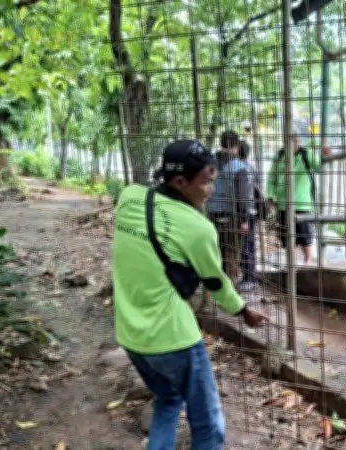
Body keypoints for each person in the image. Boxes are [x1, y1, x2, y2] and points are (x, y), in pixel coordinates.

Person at [112, 139, 268, 449]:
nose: (211, 190)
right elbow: (215, 281)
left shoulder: (129, 197)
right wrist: (244, 311)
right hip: (173, 339)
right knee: (207, 423)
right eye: (206, 182)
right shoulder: (197, 227)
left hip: (130, 335)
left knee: (168, 402)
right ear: (180, 182)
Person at [266, 122, 332, 264]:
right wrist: (271, 197)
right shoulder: (279, 157)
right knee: (286, 235)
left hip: (302, 203)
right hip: (283, 203)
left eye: (295, 139)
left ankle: (308, 260)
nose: (293, 142)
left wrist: (325, 157)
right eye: (289, 139)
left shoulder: (305, 154)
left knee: (305, 236)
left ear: (298, 140)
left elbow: (319, 166)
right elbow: (271, 179)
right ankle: (292, 263)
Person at [208, 130, 254, 284]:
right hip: (232, 218)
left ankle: (214, 295)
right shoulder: (240, 167)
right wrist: (245, 220)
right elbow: (243, 197)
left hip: (213, 215)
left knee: (216, 255)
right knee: (232, 257)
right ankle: (231, 296)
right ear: (236, 146)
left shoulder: (210, 164)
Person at [237, 139, 261, 291]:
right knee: (247, 245)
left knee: (246, 246)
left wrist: (244, 218)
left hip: (247, 212)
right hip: (251, 211)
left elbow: (245, 195)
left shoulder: (243, 168)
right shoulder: (251, 166)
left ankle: (250, 279)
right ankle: (248, 277)